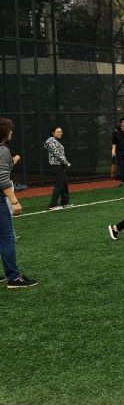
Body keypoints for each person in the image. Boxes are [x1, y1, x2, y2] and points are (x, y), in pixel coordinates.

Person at [0, 118, 37, 288]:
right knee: (7, 238)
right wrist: (14, 201)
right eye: (9, 129)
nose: (11, 132)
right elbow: (2, 179)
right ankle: (14, 278)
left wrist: (12, 161)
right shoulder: (3, 150)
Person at [44, 126, 72, 211]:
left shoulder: (55, 140)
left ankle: (65, 202)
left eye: (60, 131)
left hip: (60, 166)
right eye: (58, 132)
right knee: (59, 185)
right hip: (56, 166)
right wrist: (66, 162)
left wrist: (64, 163)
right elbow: (57, 154)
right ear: (53, 133)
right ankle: (53, 205)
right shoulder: (50, 141)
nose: (60, 133)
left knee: (64, 184)